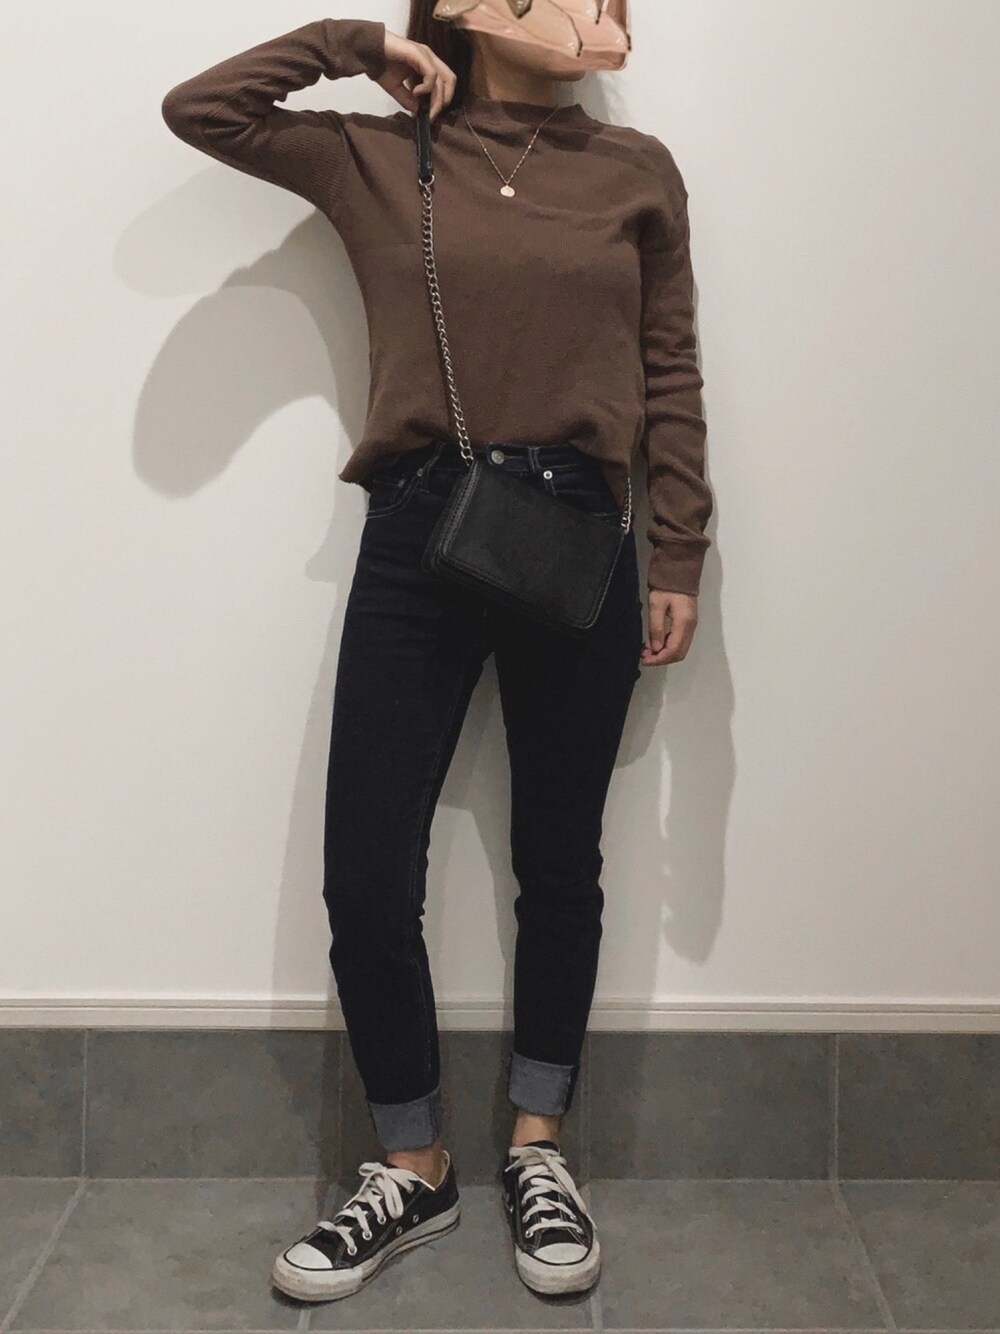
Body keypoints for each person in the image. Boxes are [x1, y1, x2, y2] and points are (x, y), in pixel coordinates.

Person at [161, 0, 712, 1305]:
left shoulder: (635, 171)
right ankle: (411, 1163)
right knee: (365, 866)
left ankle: (538, 1144)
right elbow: (203, 112)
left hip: (581, 532)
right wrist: (356, 44)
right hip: (422, 525)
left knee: (560, 860)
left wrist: (679, 550)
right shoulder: (380, 154)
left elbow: (670, 369)